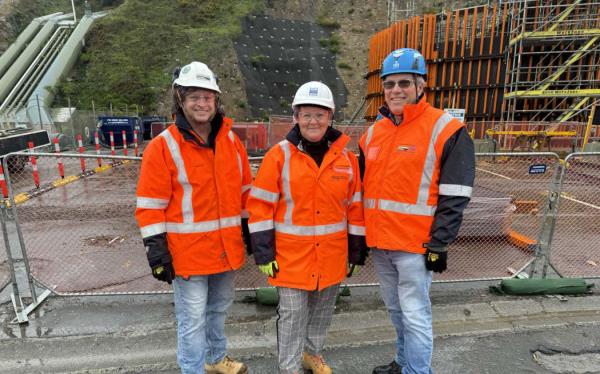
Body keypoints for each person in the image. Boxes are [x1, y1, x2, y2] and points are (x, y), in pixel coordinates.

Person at [359, 48, 475, 374]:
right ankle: (403, 362)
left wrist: (439, 242)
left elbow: (456, 193)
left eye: (404, 83)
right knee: (397, 313)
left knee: (415, 315)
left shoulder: (446, 129)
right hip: (381, 246)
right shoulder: (373, 135)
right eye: (390, 84)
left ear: (420, 86)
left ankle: (417, 371)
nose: (396, 90)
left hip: (416, 247)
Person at [135, 61, 252, 374]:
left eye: (208, 97)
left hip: (225, 250)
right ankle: (193, 370)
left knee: (218, 311)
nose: (202, 104)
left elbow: (244, 192)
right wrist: (156, 249)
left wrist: (250, 229)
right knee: (191, 321)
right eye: (194, 97)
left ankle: (215, 359)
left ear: (216, 101)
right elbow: (149, 204)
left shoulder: (231, 142)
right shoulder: (163, 147)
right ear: (180, 100)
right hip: (187, 255)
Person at [247, 81, 368, 374]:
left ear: (330, 117)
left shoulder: (347, 160)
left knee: (323, 311)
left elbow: (355, 209)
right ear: (296, 117)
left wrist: (356, 253)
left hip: (332, 255)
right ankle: (289, 367)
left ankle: (311, 354)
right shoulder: (279, 156)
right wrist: (263, 253)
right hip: (290, 258)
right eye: (307, 114)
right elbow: (260, 206)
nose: (313, 121)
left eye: (320, 114)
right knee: (292, 315)